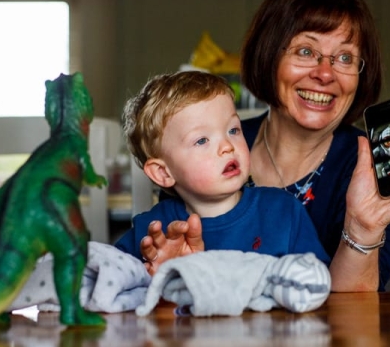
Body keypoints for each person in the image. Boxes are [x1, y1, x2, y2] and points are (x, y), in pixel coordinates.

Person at [140, 0, 390, 291]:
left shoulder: (371, 169)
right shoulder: (207, 148)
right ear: (269, 56)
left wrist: (363, 227)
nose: (324, 73)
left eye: (345, 57)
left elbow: (354, 316)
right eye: (306, 51)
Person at [114, 70, 330, 273]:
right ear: (163, 173)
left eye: (233, 130)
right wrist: (153, 280)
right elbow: (104, 280)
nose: (227, 146)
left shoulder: (284, 213)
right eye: (201, 140)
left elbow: (317, 284)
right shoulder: (154, 232)